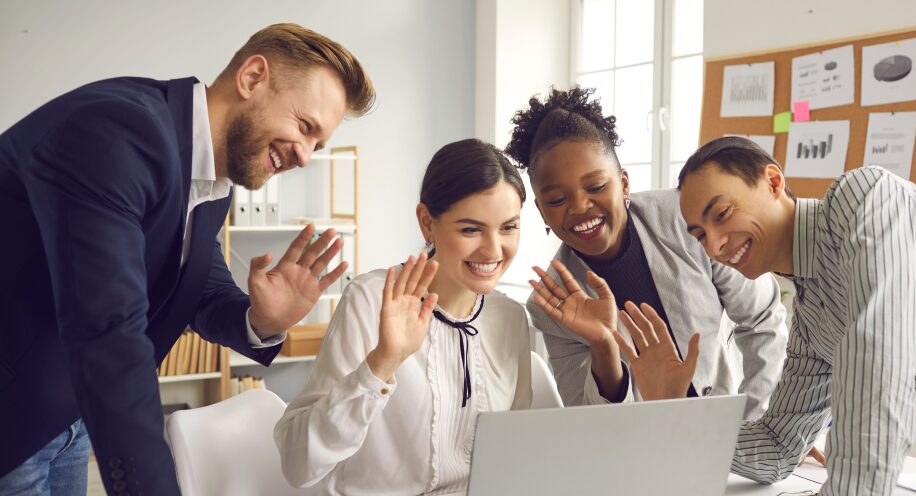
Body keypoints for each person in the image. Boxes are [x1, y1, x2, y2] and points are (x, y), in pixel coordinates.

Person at [0, 23, 374, 495]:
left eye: (318, 145)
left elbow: (193, 286)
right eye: (305, 127)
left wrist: (260, 318)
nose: (306, 157)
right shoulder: (119, 133)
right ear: (253, 77)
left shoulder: (210, 180)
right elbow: (108, 334)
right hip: (12, 417)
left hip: (64, 416)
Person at [674, 136, 916, 494]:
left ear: (773, 182)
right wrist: (675, 420)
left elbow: (880, 363)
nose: (715, 245)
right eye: (700, 236)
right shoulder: (812, 320)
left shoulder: (865, 198)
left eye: (721, 215)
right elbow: (776, 446)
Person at [504, 87, 787, 417]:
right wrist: (603, 346)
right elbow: (589, 423)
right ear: (541, 211)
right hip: (641, 451)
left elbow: (762, 319)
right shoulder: (552, 305)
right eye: (556, 200)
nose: (580, 207)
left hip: (728, 429)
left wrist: (761, 427)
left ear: (624, 184)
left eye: (596, 187)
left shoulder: (688, 219)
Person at [275, 139, 536, 494]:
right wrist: (383, 362)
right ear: (427, 223)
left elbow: (516, 451)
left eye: (508, 227)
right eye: (471, 229)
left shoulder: (509, 317)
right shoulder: (370, 300)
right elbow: (299, 465)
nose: (493, 250)